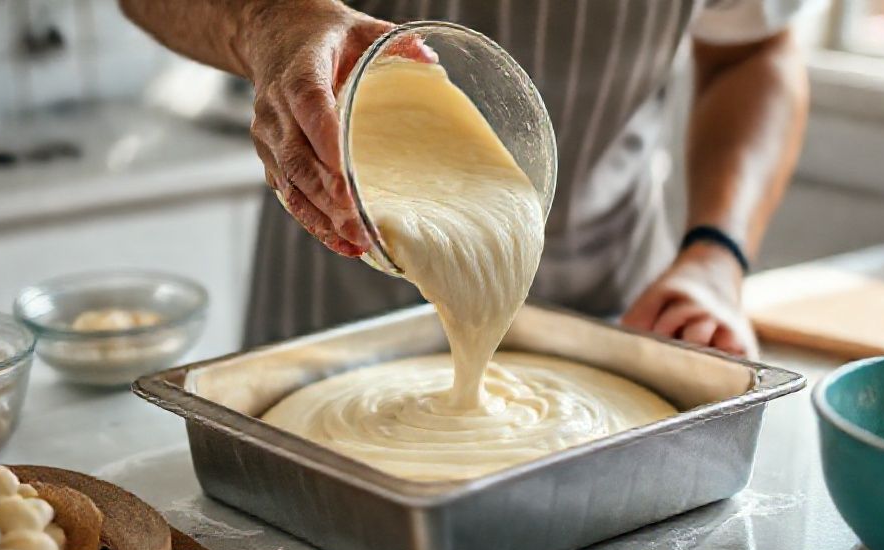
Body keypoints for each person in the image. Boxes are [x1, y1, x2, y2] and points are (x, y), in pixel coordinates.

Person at [120, 0, 811, 358]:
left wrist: (717, 254)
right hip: (331, 308)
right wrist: (268, 19)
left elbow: (753, 52)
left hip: (617, 315)